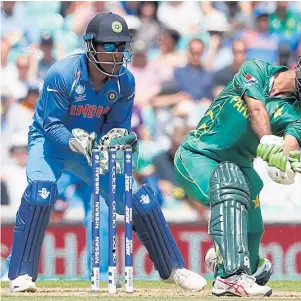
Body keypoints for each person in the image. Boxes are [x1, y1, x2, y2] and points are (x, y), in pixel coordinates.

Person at [7, 12, 206, 293]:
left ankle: (174, 267)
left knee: (138, 197)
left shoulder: (125, 82)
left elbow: (116, 128)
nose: (116, 54)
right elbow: (50, 125)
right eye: (109, 47)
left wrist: (117, 139)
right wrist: (73, 140)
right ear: (90, 45)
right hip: (50, 143)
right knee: (41, 192)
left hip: (91, 149)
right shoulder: (62, 73)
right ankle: (21, 274)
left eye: (121, 47)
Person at [174, 46, 301, 296]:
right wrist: (268, 140)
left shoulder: (297, 116)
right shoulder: (256, 69)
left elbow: (290, 143)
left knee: (253, 233)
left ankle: (234, 262)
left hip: (241, 168)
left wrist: (284, 162)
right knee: (229, 189)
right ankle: (229, 277)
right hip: (198, 155)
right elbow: (256, 109)